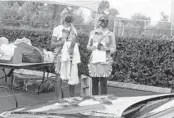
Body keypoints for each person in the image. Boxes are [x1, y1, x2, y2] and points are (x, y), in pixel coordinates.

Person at [51, 10, 77, 99]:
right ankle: (59, 99)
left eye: (70, 14)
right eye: (67, 14)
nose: (69, 16)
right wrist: (60, 42)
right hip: (59, 56)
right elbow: (52, 44)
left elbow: (74, 45)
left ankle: (71, 99)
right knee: (59, 78)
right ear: (63, 17)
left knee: (71, 77)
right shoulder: (57, 29)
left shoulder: (74, 30)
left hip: (70, 56)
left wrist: (74, 45)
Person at [87, 16, 116, 95]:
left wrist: (107, 49)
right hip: (94, 60)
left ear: (107, 22)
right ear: (99, 21)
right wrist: (92, 48)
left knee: (103, 83)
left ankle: (103, 101)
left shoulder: (111, 34)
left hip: (104, 61)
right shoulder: (92, 33)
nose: (103, 22)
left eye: (105, 21)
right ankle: (94, 101)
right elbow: (88, 47)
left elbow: (114, 48)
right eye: (102, 20)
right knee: (94, 82)